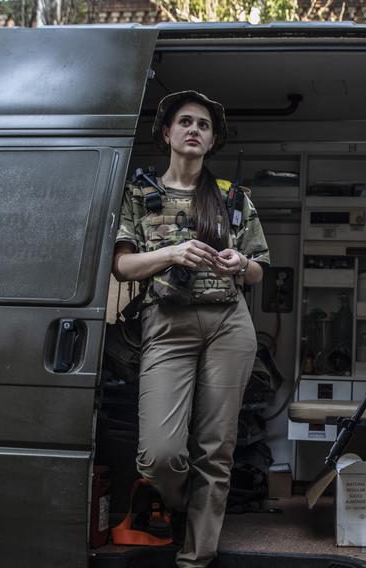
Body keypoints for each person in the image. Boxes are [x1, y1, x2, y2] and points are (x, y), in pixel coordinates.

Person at [112, 90, 269, 568]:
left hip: (228, 322)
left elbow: (261, 268)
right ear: (167, 134)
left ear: (212, 139)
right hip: (168, 322)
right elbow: (122, 266)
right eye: (185, 121)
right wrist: (171, 254)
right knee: (159, 455)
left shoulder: (231, 196)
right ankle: (177, 503)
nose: (194, 129)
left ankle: (196, 558)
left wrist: (240, 262)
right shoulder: (139, 194)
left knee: (215, 448)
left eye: (203, 124)